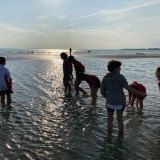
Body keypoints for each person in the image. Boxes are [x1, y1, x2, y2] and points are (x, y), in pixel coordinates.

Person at [101, 60, 147, 134]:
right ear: (115, 68)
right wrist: (141, 94)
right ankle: (121, 138)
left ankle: (109, 136)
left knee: (110, 119)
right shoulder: (120, 77)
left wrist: (108, 97)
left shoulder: (105, 78)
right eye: (119, 67)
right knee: (120, 120)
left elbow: (102, 91)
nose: (120, 69)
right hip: (120, 102)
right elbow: (129, 88)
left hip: (110, 102)